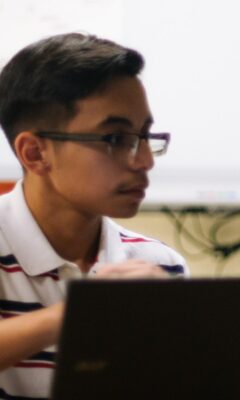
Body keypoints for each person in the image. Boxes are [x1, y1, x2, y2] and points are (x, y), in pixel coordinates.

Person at [0, 33, 187, 398]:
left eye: (145, 136)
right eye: (116, 139)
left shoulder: (160, 265)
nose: (144, 160)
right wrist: (82, 314)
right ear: (35, 153)